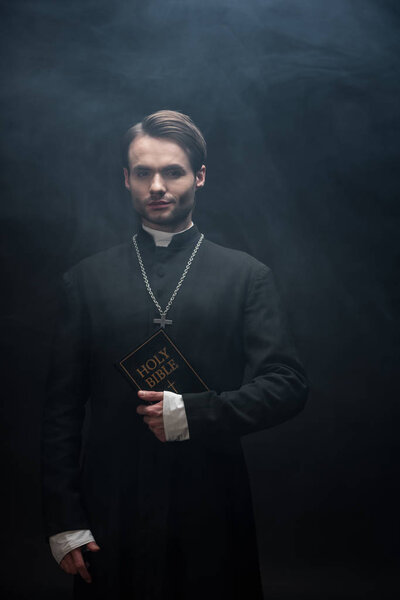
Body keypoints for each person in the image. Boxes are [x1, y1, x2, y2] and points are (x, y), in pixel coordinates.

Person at [41, 109, 308, 599]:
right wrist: (64, 519)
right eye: (143, 172)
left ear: (199, 176)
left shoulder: (247, 276)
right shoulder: (86, 280)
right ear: (126, 179)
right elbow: (60, 412)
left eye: (174, 171)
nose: (157, 185)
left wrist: (194, 413)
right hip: (110, 507)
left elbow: (287, 384)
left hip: (210, 505)